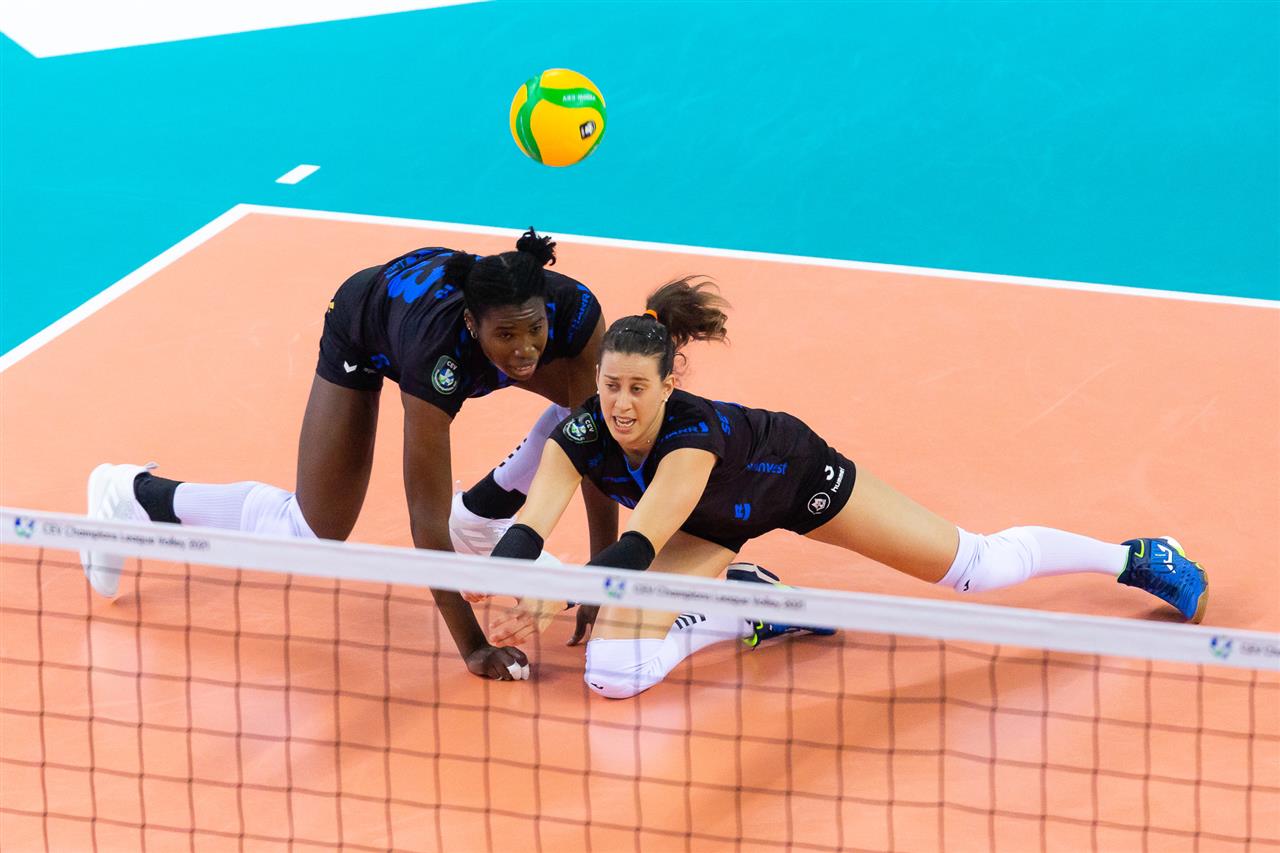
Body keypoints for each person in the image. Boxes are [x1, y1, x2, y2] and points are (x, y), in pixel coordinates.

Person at [481, 277, 1211, 699]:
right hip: (711, 525)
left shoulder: (688, 442)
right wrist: (505, 586)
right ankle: (745, 606)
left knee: (976, 566)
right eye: (611, 386)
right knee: (612, 673)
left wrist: (554, 598)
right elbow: (526, 528)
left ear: (669, 384)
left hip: (790, 475)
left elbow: (638, 549)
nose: (621, 404)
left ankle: (1134, 555)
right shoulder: (579, 433)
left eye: (639, 388)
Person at [80, 229, 618, 682]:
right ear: (474, 325)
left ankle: (479, 517)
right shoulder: (437, 356)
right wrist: (474, 648)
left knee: (589, 414)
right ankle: (132, 495)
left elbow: (594, 445)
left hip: (432, 314)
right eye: (507, 335)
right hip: (366, 325)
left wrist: (600, 580)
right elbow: (425, 521)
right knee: (309, 533)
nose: (525, 348)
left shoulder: (572, 314)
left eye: (534, 329)